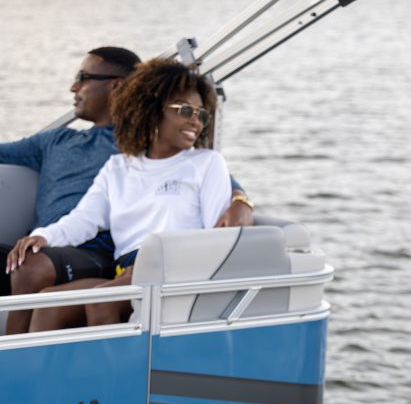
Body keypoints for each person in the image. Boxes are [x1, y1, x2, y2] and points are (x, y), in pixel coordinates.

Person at [0, 46, 253, 333]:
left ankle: (115, 365)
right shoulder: (117, 167)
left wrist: (241, 200)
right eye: (184, 110)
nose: (195, 121)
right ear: (151, 109)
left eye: (200, 114)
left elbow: (214, 238)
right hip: (126, 271)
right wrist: (43, 236)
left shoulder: (207, 163)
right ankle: (18, 363)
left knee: (101, 301)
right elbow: (84, 219)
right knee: (48, 303)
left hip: (174, 270)